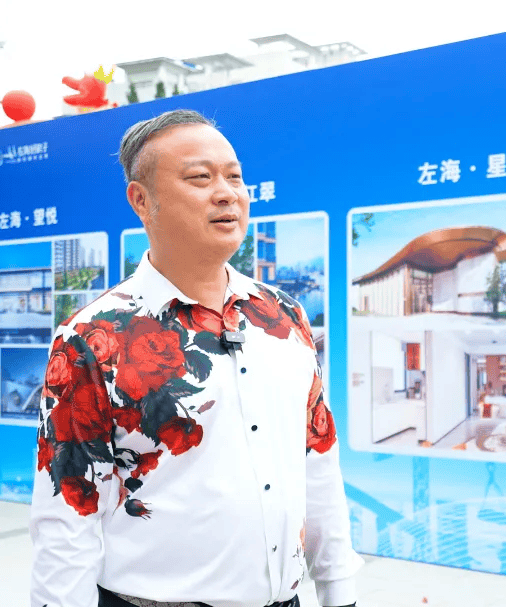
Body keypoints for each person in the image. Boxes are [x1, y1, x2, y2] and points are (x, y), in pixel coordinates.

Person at [29, 109, 363, 607]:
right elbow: (67, 514)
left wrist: (340, 591)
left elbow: (317, 461)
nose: (227, 193)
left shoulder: (284, 316)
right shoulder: (91, 338)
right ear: (142, 200)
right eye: (200, 178)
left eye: (235, 177)